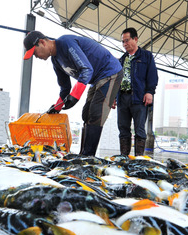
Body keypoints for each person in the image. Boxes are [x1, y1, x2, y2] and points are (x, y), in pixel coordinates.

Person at [23, 31, 123, 156]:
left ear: (42, 42)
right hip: (95, 79)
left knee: (96, 112)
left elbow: (86, 69)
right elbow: (65, 88)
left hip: (110, 72)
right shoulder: (56, 61)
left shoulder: (65, 43)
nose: (36, 57)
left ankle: (88, 156)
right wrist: (57, 107)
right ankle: (84, 153)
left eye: (34, 52)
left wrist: (75, 95)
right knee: (86, 114)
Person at [116, 27, 159, 156]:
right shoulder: (121, 59)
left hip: (139, 98)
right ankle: (124, 157)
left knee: (139, 129)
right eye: (123, 42)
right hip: (122, 97)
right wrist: (113, 97)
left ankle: (139, 159)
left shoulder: (146, 56)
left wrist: (150, 92)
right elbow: (116, 80)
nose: (125, 44)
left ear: (135, 39)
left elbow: (152, 75)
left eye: (127, 40)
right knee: (123, 128)